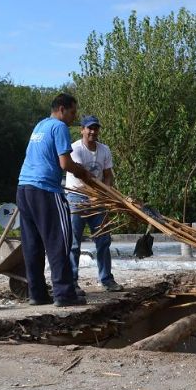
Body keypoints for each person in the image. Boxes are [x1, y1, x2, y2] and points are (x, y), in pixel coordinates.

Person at [16, 93, 92, 307]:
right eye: (72, 112)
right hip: (45, 190)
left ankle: (37, 294)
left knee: (33, 244)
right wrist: (83, 172)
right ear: (62, 109)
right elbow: (65, 164)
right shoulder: (59, 127)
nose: (73, 117)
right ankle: (64, 294)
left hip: (24, 188)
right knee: (59, 241)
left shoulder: (40, 125)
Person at [66, 115, 123, 295]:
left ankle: (107, 279)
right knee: (74, 243)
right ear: (82, 129)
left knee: (104, 240)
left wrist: (106, 192)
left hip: (98, 199)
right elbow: (81, 175)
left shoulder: (104, 150)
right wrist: (94, 195)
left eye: (95, 128)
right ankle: (72, 282)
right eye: (89, 128)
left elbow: (108, 174)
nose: (92, 132)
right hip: (77, 197)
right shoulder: (75, 149)